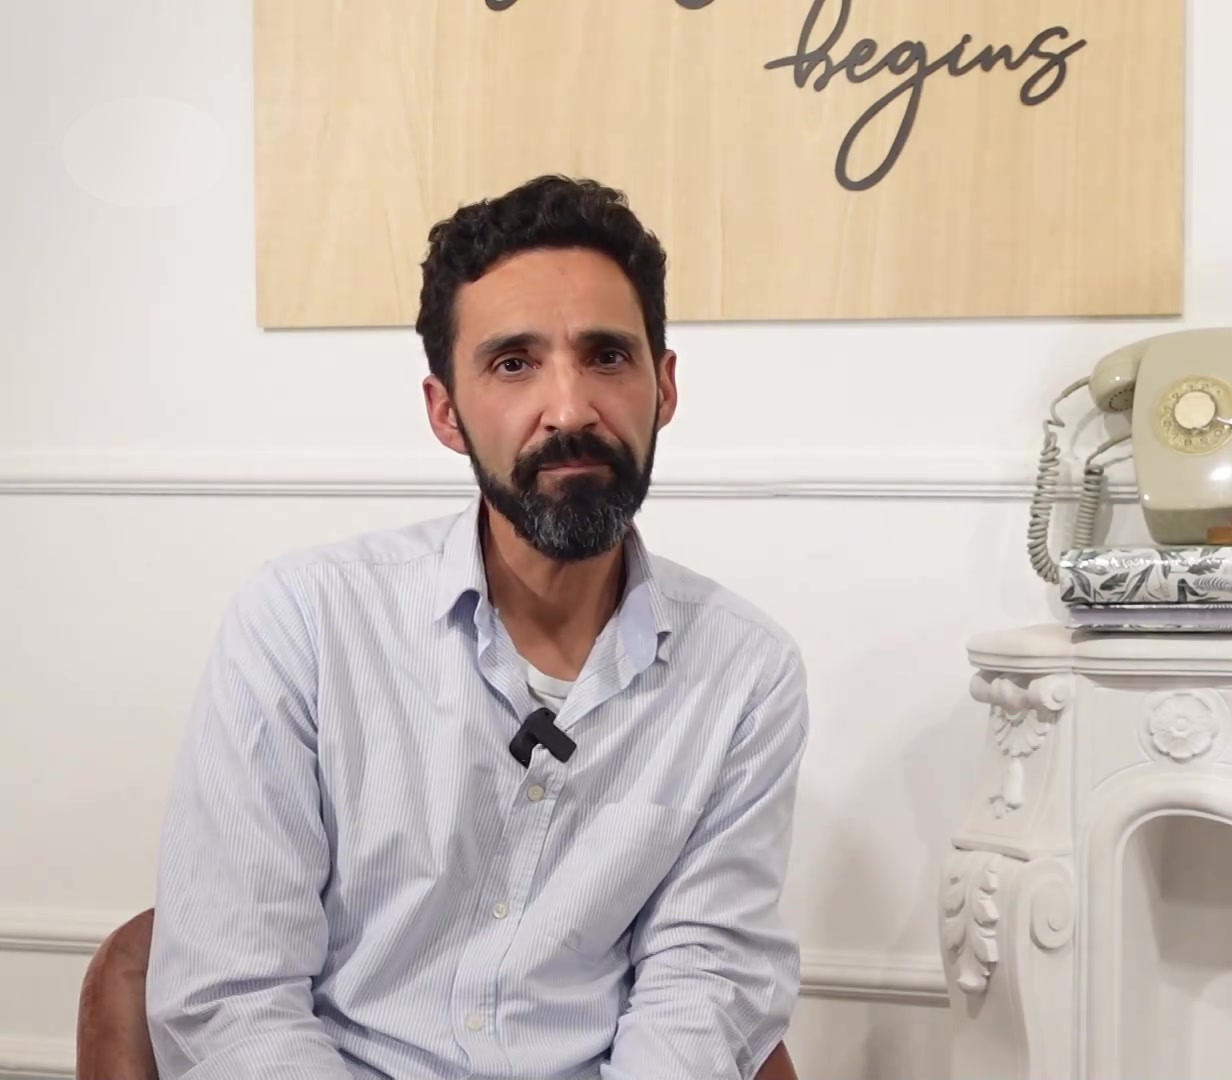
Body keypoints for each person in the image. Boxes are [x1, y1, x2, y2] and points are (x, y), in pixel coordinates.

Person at [144, 176, 809, 1080]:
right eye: (513, 364)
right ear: (445, 411)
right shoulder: (303, 623)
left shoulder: (746, 674)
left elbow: (702, 986)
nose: (569, 409)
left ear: (664, 386)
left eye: (607, 356)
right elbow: (234, 995)